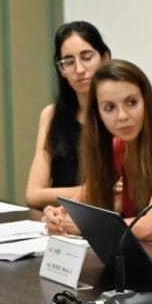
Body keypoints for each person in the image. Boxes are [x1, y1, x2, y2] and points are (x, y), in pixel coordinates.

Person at [42, 60, 152, 242]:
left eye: (131, 103)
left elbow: (150, 228)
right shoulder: (118, 146)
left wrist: (86, 225)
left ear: (146, 102)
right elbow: (80, 204)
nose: (122, 116)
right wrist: (57, 215)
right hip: (141, 250)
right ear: (97, 114)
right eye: (109, 108)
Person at [25, 21, 111, 209]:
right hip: (59, 221)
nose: (79, 70)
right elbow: (33, 194)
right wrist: (88, 191)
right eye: (69, 62)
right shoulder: (51, 115)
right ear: (61, 70)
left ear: (105, 59)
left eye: (87, 57)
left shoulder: (119, 116)